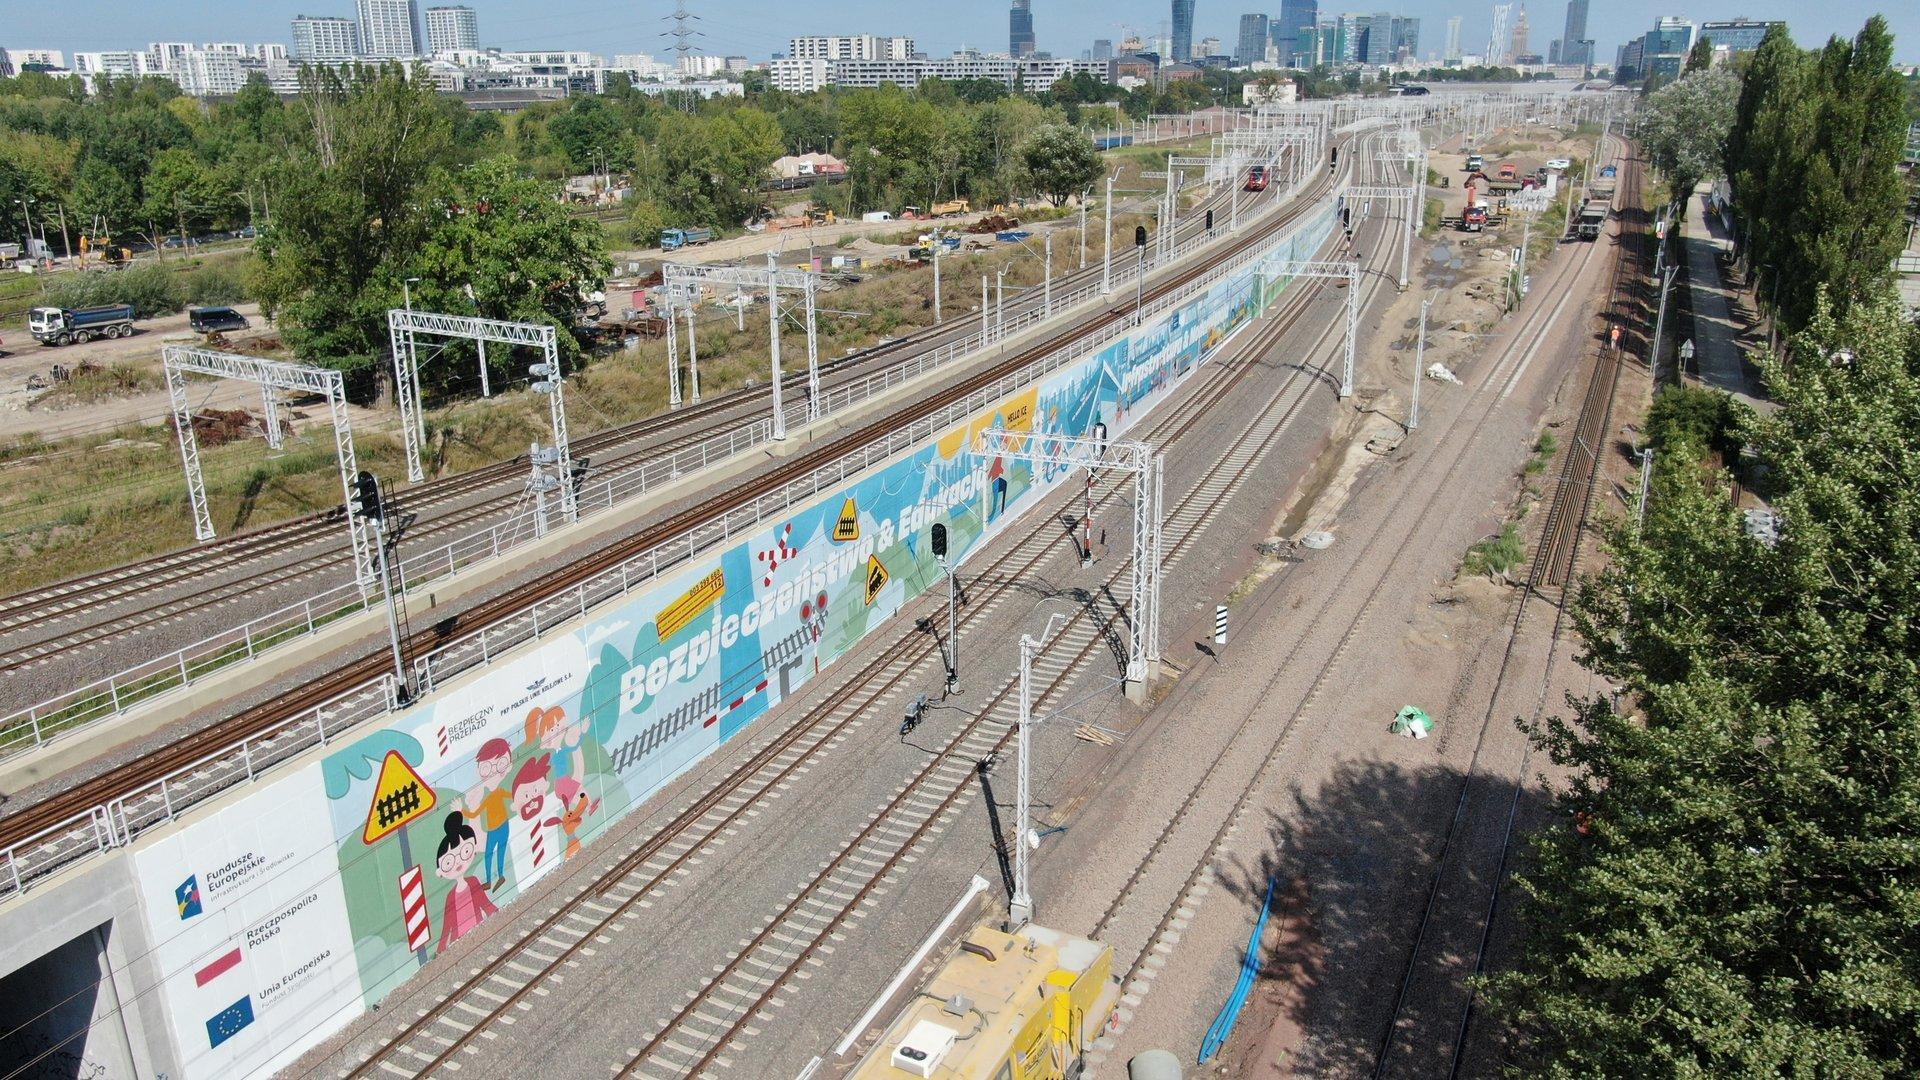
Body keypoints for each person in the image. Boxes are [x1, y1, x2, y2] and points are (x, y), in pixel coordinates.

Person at [434, 812, 498, 954]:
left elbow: (485, 904)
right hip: (459, 940)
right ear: (440, 872)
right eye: (449, 861)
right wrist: (441, 949)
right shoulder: (450, 896)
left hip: (479, 929)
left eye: (465, 851)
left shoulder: (473, 882)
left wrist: (497, 914)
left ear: (473, 851)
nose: (457, 862)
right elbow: (447, 926)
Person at [460, 738, 514, 891]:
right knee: (489, 854)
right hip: (494, 828)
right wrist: (461, 810)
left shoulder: (498, 793)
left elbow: (512, 795)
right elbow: (474, 813)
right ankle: (490, 880)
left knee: (498, 852)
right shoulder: (488, 798)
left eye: (500, 764)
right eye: (486, 768)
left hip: (501, 826)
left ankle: (500, 876)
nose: (494, 771)